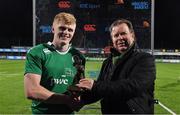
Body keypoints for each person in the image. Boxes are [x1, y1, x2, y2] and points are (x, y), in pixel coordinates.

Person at [77, 19, 156, 114]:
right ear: (112, 39)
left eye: (123, 33)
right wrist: (80, 98)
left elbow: (133, 86)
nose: (120, 38)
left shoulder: (145, 59)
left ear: (132, 35)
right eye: (116, 35)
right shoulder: (107, 62)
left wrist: (95, 85)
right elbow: (100, 91)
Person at [24, 12, 85, 114]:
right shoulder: (37, 52)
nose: (66, 32)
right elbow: (32, 91)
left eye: (70, 30)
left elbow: (79, 87)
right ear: (53, 29)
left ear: (74, 32)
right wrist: (66, 99)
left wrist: (79, 95)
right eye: (62, 28)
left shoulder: (78, 56)